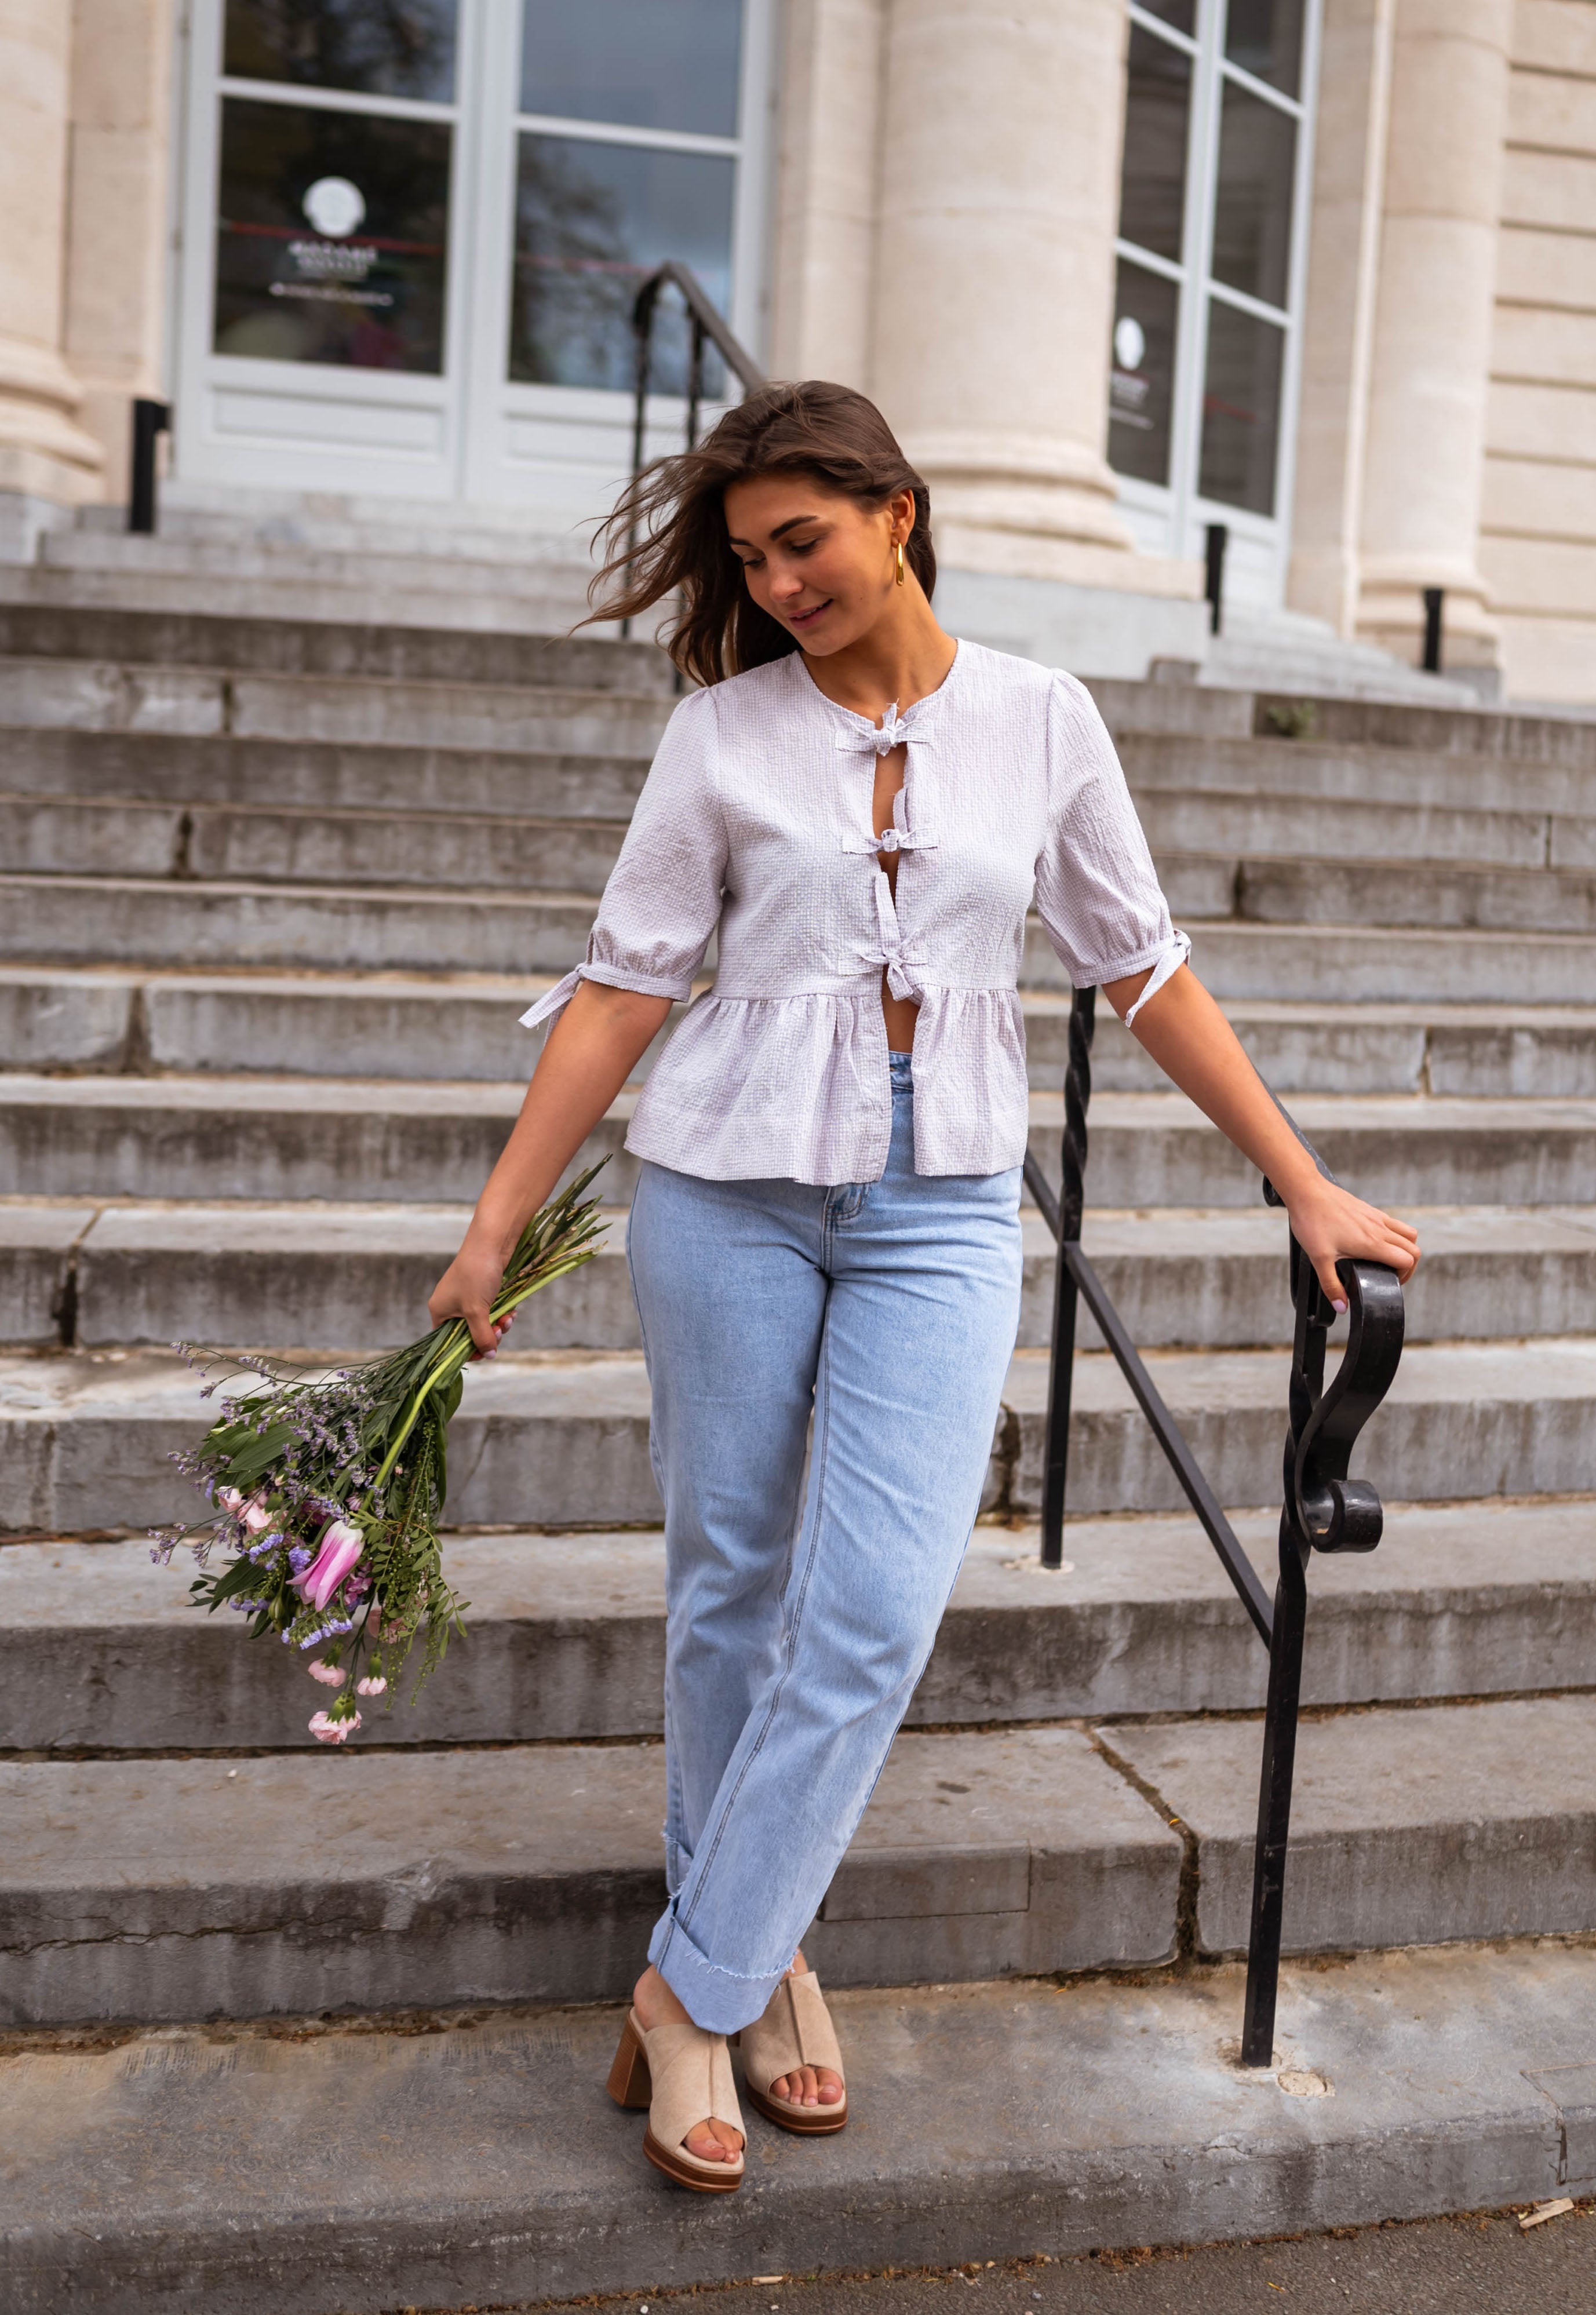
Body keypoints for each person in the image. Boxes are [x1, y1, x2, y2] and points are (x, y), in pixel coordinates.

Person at [427, 381, 1420, 2193]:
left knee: (873, 1609)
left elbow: (1141, 964)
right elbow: (623, 989)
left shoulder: (1042, 719)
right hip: (721, 1197)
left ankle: (688, 1979)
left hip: (940, 1207)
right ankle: (766, 1954)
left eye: (802, 538)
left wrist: (1297, 1177)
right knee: (729, 1580)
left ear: (898, 511)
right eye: (748, 558)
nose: (779, 578)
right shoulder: (720, 736)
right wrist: (495, 1223)